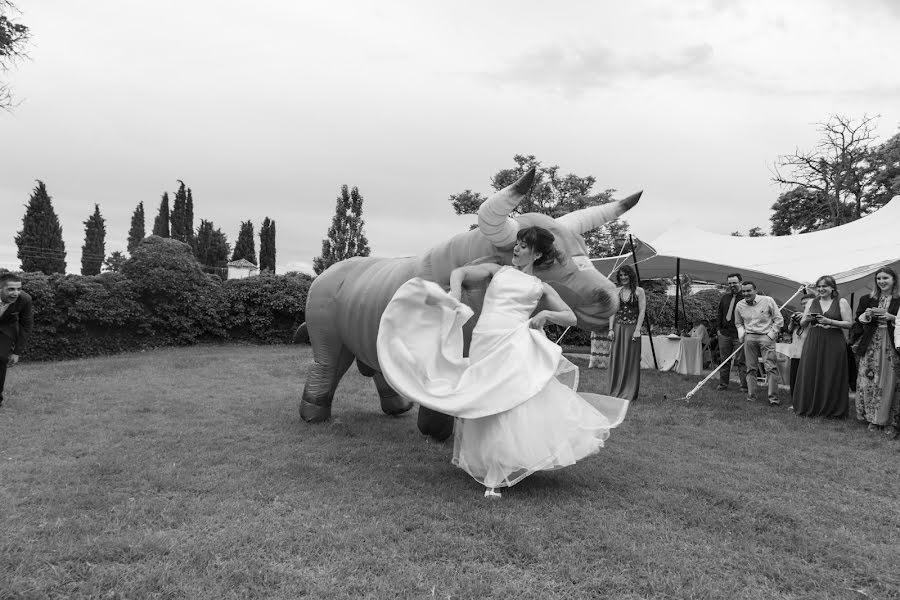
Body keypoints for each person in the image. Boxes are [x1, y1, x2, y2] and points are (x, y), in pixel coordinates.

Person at [377, 226, 629, 499]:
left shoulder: (540, 287)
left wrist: (545, 314)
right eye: (517, 243)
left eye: (523, 245)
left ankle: (495, 475)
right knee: (483, 399)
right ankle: (488, 462)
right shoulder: (498, 271)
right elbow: (459, 272)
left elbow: (570, 317)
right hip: (484, 341)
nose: (517, 248)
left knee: (504, 403)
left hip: (513, 343)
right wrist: (455, 292)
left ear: (537, 253)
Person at [792, 275, 853, 418]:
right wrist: (806, 318)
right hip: (814, 339)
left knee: (831, 372)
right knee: (810, 371)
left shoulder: (841, 302)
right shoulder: (811, 302)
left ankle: (832, 409)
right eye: (818, 286)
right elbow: (802, 324)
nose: (821, 289)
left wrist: (829, 321)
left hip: (833, 340)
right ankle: (809, 406)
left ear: (832, 288)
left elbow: (849, 323)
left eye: (824, 286)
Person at [852, 268, 900, 434]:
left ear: (894, 279)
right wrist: (867, 315)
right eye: (878, 278)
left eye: (885, 278)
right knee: (869, 380)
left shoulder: (899, 299)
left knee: (890, 381)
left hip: (892, 344)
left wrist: (892, 318)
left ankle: (889, 421)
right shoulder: (867, 298)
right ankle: (872, 419)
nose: (881, 281)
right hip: (871, 344)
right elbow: (858, 321)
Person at [734, 281, 784, 405]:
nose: (746, 293)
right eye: (744, 291)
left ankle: (773, 399)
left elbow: (779, 319)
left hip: (766, 337)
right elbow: (738, 322)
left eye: (748, 290)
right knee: (751, 368)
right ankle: (751, 397)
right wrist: (742, 334)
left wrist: (771, 334)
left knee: (770, 368)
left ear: (755, 290)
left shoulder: (767, 300)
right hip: (750, 338)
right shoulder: (740, 305)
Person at [606, 265, 645, 401]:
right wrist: (610, 329)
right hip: (618, 328)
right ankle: (615, 390)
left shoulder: (639, 291)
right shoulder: (616, 291)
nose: (623, 277)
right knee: (616, 358)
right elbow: (613, 311)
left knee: (631, 360)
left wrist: (638, 330)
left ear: (630, 276)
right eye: (621, 275)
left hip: (632, 329)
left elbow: (642, 311)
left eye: (625, 275)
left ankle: (629, 392)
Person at [0, 273, 34, 407]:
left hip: (6, 330)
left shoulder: (25, 299)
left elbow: (26, 325)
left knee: (1, 358)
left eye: (19, 289)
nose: (16, 293)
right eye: (11, 289)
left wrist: (16, 352)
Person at [716, 273, 748, 392]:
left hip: (739, 334)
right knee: (724, 360)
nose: (732, 285)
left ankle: (744, 387)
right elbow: (720, 314)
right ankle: (723, 385)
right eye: (729, 283)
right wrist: (718, 330)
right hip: (724, 334)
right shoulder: (725, 297)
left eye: (734, 282)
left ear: (740, 282)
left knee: (741, 361)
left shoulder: (746, 297)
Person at [786, 294, 815, 398]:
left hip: (808, 353)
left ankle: (806, 400)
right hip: (795, 353)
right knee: (794, 379)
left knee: (806, 379)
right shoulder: (798, 316)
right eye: (802, 303)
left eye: (806, 303)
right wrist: (792, 321)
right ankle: (794, 401)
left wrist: (804, 317)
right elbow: (789, 330)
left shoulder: (814, 316)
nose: (804, 305)